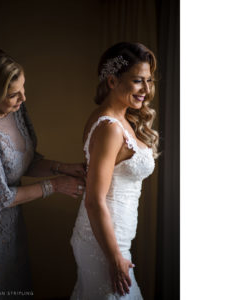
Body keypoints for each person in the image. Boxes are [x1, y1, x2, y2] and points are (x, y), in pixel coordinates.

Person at [0, 47, 86, 298]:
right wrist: (56, 185)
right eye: (14, 94)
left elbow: (22, 163)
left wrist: (62, 166)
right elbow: (0, 197)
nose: (24, 98)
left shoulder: (17, 110)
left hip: (12, 227)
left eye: (23, 88)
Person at [70, 42, 159, 300]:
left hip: (115, 236)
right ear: (112, 81)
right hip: (104, 241)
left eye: (149, 81)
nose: (146, 89)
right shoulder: (109, 127)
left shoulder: (121, 119)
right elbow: (94, 200)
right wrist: (114, 257)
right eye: (138, 81)